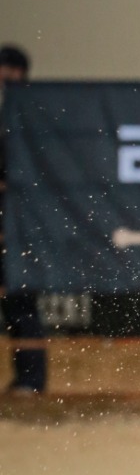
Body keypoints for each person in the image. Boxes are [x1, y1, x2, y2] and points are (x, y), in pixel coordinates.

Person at [0, 44, 46, 397]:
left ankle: (31, 382)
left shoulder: (31, 117)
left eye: (10, 70)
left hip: (21, 229)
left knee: (21, 304)